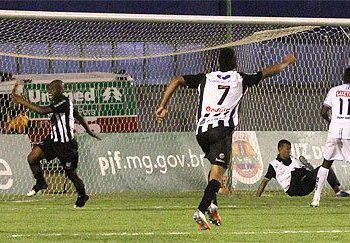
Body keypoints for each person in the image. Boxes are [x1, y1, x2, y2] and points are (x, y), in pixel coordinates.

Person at [155, 47, 296, 230]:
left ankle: (213, 207)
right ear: (235, 63)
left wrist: (163, 106)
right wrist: (285, 62)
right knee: (217, 175)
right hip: (221, 131)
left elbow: (176, 79)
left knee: (214, 168)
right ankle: (201, 210)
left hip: (201, 132)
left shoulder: (205, 77)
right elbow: (267, 72)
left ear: (218, 63)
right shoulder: (240, 78)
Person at [11, 80, 101, 208]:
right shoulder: (60, 103)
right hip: (53, 140)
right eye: (48, 90)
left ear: (60, 90)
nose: (49, 93)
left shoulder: (63, 102)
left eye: (52, 90)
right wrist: (88, 130)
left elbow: (42, 111)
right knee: (32, 157)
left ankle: (82, 195)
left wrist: (22, 101)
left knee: (72, 174)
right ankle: (41, 182)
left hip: (66, 146)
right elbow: (79, 116)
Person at [311, 67, 350, 207]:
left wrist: (330, 121)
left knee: (326, 163)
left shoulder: (334, 90)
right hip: (348, 131)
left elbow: (322, 112)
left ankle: (316, 199)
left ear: (344, 78)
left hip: (334, 131)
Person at [256, 139, 349, 198]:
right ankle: (309, 170)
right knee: (295, 173)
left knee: (325, 168)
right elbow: (265, 181)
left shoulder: (294, 159)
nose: (288, 151)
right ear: (280, 149)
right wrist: (257, 197)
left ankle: (338, 192)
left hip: (305, 186)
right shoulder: (273, 165)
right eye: (287, 149)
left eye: (289, 149)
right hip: (292, 189)